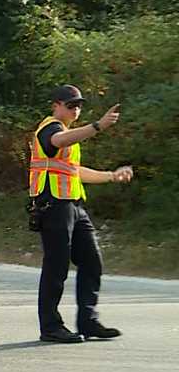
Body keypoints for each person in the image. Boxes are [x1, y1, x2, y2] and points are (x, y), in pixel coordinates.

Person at [29, 85, 133, 343]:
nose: (75, 109)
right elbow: (58, 141)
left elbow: (74, 171)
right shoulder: (50, 127)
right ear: (56, 105)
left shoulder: (68, 134)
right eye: (70, 105)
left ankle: (88, 321)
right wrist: (98, 126)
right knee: (57, 266)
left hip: (74, 205)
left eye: (78, 105)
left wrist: (111, 176)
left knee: (92, 261)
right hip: (52, 204)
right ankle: (51, 327)